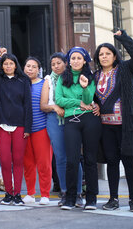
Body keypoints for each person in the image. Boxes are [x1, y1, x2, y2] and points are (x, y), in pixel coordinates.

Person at [93, 29, 133, 213]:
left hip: (125, 127)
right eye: (101, 54)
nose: (104, 56)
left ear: (115, 56)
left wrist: (122, 37)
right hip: (106, 128)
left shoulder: (125, 70)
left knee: (129, 163)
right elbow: (93, 99)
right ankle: (113, 199)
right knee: (112, 163)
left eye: (108, 53)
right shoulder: (95, 76)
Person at [0, 48, 32, 206]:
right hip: (2, 125)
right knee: (4, 160)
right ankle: (8, 193)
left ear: (16, 65)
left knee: (17, 160)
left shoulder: (24, 81)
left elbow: (28, 106)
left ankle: (17, 194)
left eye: (11, 64)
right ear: (2, 66)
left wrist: (28, 128)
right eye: (5, 64)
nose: (8, 66)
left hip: (20, 126)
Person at [55, 46, 101, 211]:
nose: (75, 61)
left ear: (84, 60)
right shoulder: (62, 78)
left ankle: (91, 199)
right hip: (71, 121)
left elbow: (89, 100)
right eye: (72, 58)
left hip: (90, 120)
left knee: (89, 160)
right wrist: (78, 103)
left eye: (79, 58)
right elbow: (59, 99)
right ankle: (70, 197)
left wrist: (84, 87)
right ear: (69, 61)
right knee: (72, 160)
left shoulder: (90, 77)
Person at [40, 52, 84, 207]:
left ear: (66, 63)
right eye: (53, 64)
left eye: (59, 63)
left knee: (74, 157)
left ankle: (78, 193)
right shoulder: (48, 80)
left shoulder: (74, 77)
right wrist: (54, 107)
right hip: (54, 120)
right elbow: (43, 105)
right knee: (60, 157)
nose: (56, 66)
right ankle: (65, 192)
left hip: (73, 117)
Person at [22, 57, 52, 205]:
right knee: (28, 163)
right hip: (25, 129)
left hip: (41, 128)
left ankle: (45, 194)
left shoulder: (44, 83)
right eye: (28, 66)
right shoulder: (20, 83)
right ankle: (30, 193)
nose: (30, 69)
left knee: (44, 163)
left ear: (38, 70)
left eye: (34, 67)